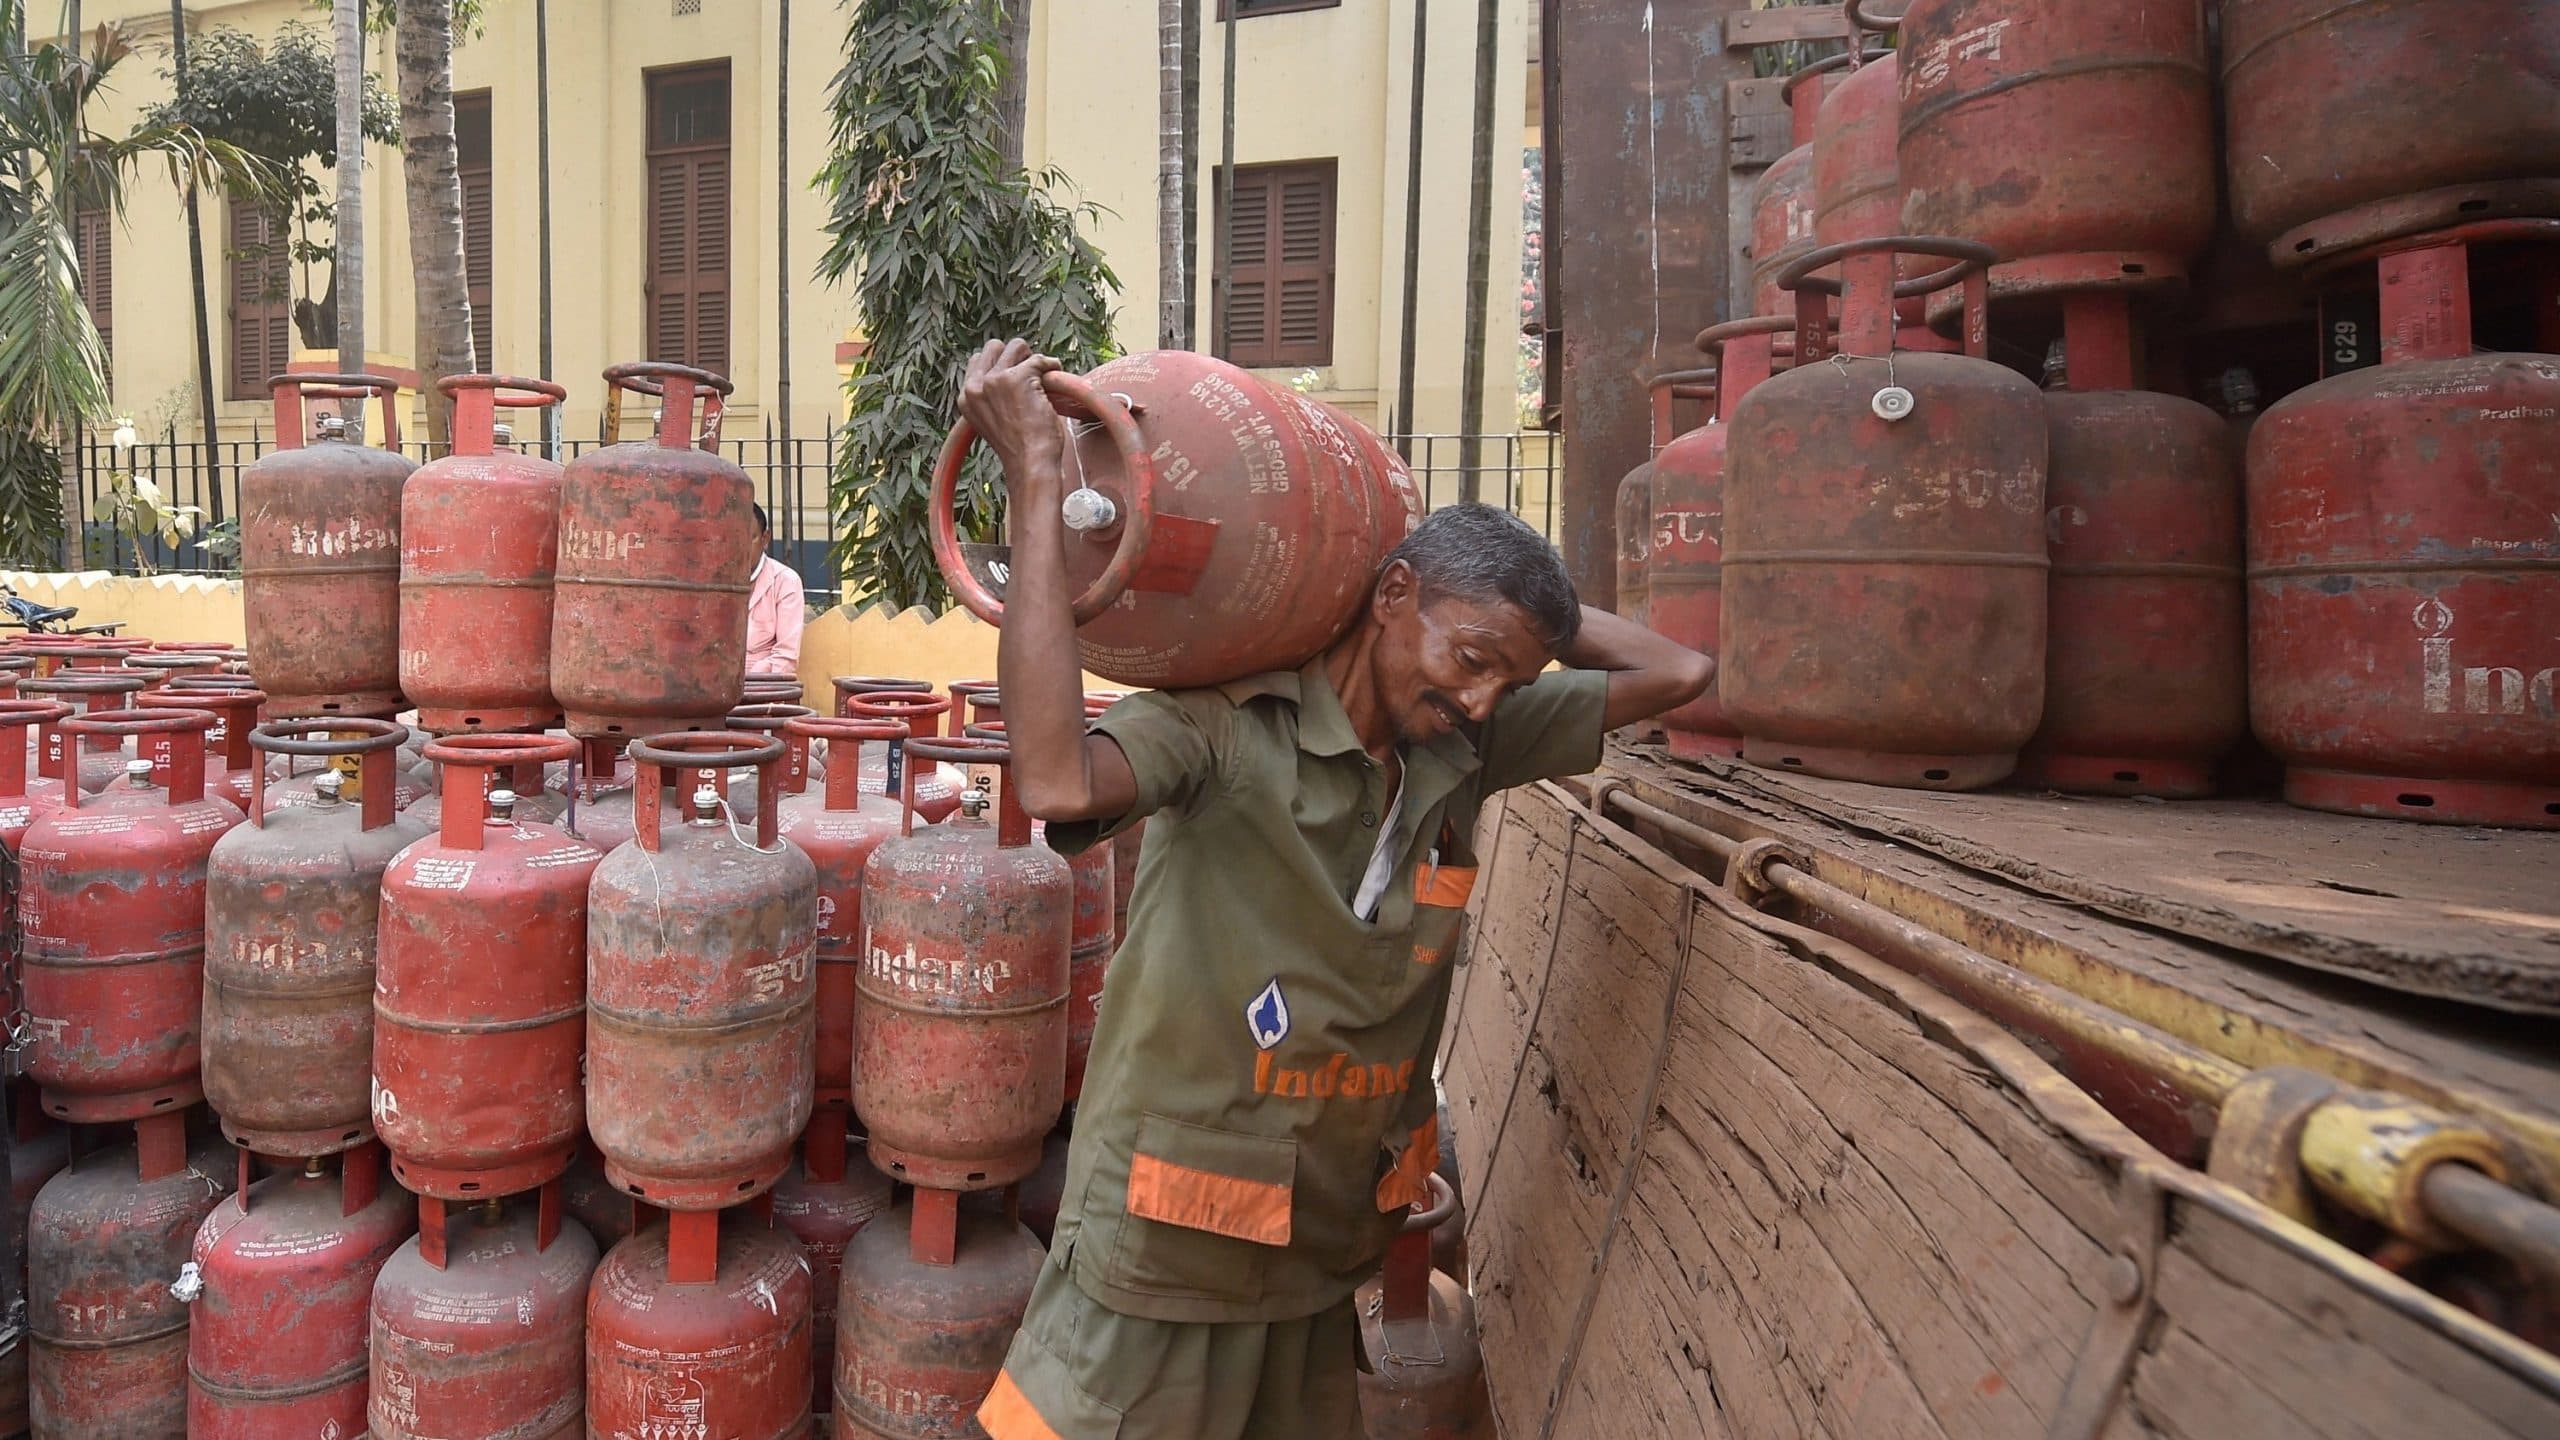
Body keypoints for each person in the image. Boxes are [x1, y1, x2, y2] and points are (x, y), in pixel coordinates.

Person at [958, 338, 1714, 1440]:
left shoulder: (1466, 743)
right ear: (1391, 597)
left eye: (1512, 675)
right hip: (1171, 1245)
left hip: (1320, 1247)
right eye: (1470, 658)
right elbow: (1053, 774)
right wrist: (1036, 485)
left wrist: (1514, 610)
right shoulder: (1220, 733)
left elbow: (1680, 675)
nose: (1485, 698)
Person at [744, 503, 805, 674]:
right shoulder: (711, 581)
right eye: (732, 539)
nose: (740, 548)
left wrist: (747, 683)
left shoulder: (785, 582)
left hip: (763, 688)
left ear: (765, 538)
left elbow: (786, 657)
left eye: (750, 538)